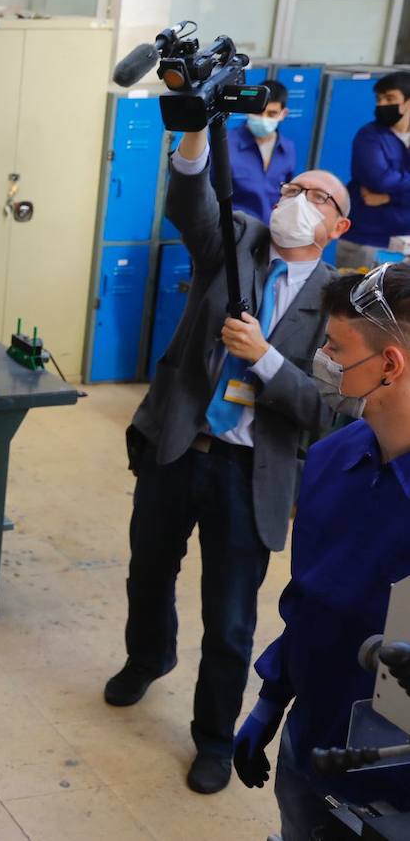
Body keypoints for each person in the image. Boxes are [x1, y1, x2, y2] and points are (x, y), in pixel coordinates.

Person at [103, 128, 345, 795]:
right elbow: (190, 205)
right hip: (178, 445)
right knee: (148, 570)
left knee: (231, 620)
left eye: (318, 197)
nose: (299, 199)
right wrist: (190, 136)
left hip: (250, 473)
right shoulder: (236, 243)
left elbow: (327, 410)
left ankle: (213, 736)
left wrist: (263, 357)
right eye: (294, 188)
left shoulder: (338, 302)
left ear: (339, 224)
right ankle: (147, 656)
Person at [233, 263, 410, 840]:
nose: (322, 360)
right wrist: (272, 697)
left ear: (389, 366)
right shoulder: (333, 462)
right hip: (310, 740)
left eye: (335, 348)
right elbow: (311, 602)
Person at [345, 70, 410, 268]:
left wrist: (389, 197)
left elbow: (388, 185)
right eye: (379, 98)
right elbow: (379, 180)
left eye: (390, 98)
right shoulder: (369, 136)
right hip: (367, 238)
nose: (382, 104)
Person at [230, 79, 297, 222]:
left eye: (271, 114)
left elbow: (287, 194)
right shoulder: (225, 144)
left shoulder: (288, 149)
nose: (263, 119)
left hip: (270, 232)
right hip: (231, 232)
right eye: (258, 112)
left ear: (283, 114)